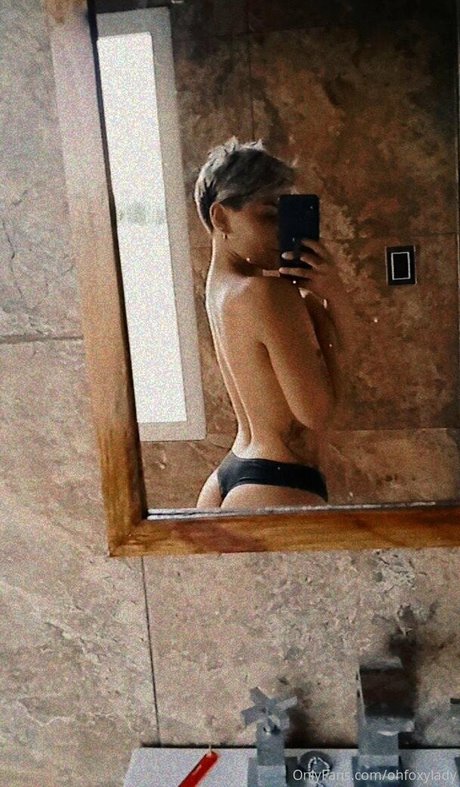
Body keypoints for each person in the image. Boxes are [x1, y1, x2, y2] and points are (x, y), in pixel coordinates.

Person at [193, 137, 357, 510]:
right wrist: (333, 297)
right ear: (221, 217)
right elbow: (316, 413)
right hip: (277, 480)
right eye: (268, 215)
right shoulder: (268, 294)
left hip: (232, 473)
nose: (281, 230)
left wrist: (317, 299)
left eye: (285, 215)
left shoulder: (221, 291)